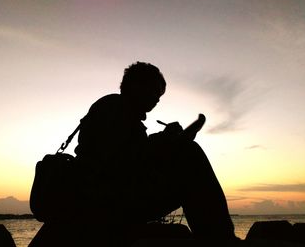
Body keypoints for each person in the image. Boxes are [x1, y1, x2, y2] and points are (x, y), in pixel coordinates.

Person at [72, 61, 238, 245]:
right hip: (111, 201)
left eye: (159, 95)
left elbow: (134, 150)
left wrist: (167, 139)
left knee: (187, 153)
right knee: (191, 155)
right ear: (137, 85)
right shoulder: (113, 109)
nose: (157, 99)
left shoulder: (117, 111)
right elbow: (128, 161)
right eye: (154, 92)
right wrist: (171, 141)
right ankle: (219, 238)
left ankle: (216, 236)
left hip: (113, 195)